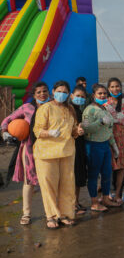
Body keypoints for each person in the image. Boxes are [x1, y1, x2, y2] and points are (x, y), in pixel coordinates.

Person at [33, 81, 84, 228]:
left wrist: (77, 131)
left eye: (65, 92)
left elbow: (73, 130)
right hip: (46, 153)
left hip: (67, 152)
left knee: (67, 184)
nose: (62, 94)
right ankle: (51, 216)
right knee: (49, 186)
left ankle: (65, 214)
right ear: (53, 92)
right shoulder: (45, 108)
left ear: (68, 94)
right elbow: (37, 131)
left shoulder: (70, 109)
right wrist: (49, 132)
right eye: (59, 91)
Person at [1, 81, 49, 225]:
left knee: (48, 181)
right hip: (29, 149)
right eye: (38, 92)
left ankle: (50, 213)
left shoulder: (53, 107)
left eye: (44, 91)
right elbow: (7, 120)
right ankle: (26, 213)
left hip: (49, 148)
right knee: (29, 182)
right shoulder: (27, 108)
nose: (42, 94)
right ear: (33, 95)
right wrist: (4, 132)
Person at [82, 84, 121, 212]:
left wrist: (114, 146)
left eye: (105, 93)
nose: (103, 96)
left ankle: (105, 198)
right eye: (100, 93)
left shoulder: (105, 109)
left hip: (105, 145)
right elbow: (86, 128)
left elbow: (109, 129)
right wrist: (100, 122)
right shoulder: (89, 110)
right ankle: (94, 202)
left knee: (107, 173)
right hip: (93, 145)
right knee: (93, 175)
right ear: (94, 95)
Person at [105, 77, 124, 204]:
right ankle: (107, 194)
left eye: (117, 86)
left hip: (122, 136)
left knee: (121, 167)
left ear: (121, 87)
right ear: (108, 88)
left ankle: (117, 194)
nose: (115, 89)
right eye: (112, 87)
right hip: (107, 136)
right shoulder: (104, 104)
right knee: (107, 167)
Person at [70, 85, 88, 215]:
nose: (80, 98)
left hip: (80, 147)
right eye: (77, 96)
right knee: (72, 177)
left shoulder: (80, 111)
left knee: (79, 176)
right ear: (71, 96)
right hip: (71, 147)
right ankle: (71, 204)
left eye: (82, 97)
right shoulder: (69, 110)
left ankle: (75, 202)